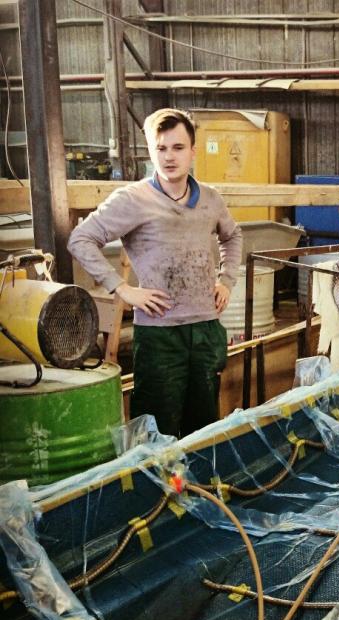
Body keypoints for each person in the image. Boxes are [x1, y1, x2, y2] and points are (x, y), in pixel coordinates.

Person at [69, 108, 242, 438]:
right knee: (156, 431)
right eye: (160, 148)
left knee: (204, 429)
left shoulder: (210, 199)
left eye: (178, 148)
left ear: (193, 151)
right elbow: (81, 238)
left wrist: (227, 279)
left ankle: (198, 473)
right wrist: (122, 289)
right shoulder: (133, 199)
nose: (169, 157)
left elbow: (232, 236)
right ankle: (158, 475)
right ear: (151, 151)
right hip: (160, 334)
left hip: (206, 328)